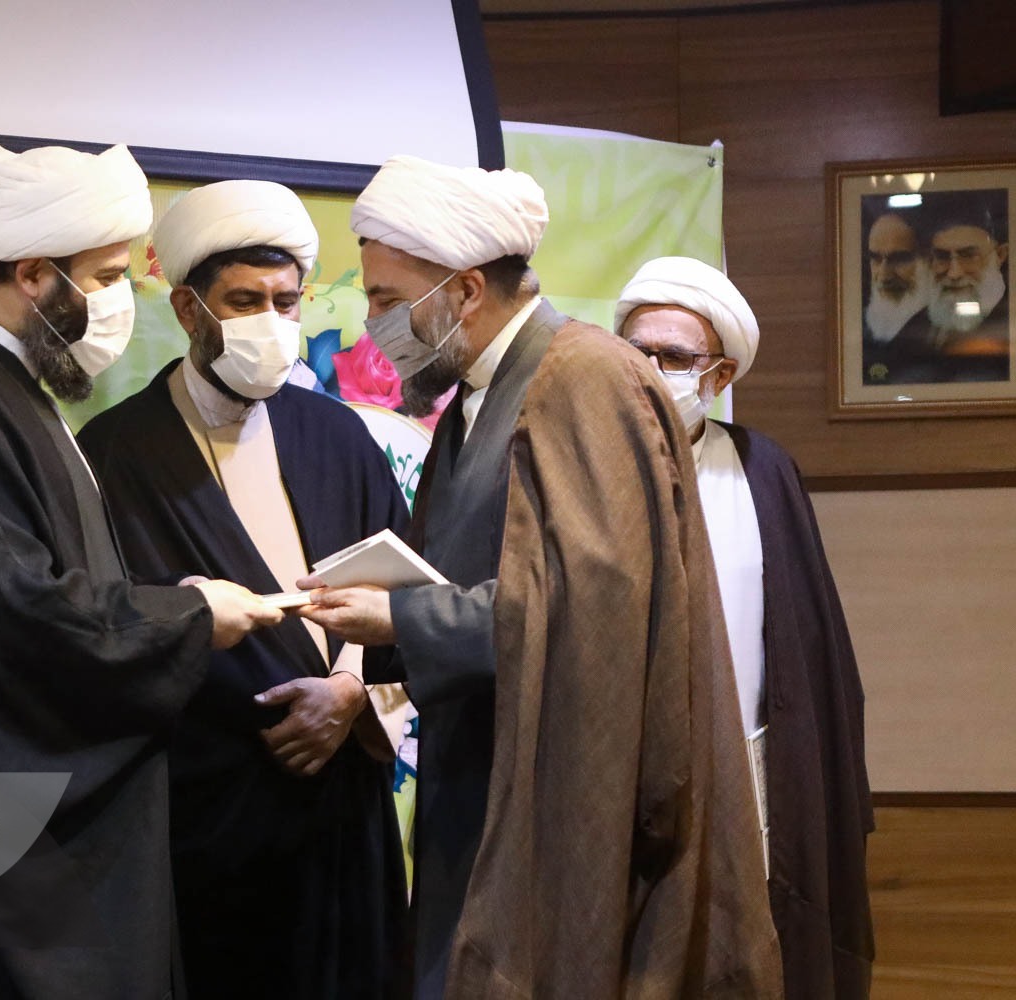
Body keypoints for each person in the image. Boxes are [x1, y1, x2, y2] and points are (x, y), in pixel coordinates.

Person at [297, 154, 782, 998]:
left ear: (464, 291)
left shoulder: (586, 377)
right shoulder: (480, 395)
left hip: (560, 803)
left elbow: (596, 614)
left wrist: (401, 619)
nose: (372, 323)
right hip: (481, 783)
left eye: (385, 298)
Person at [0, 143, 282, 1000]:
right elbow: (14, 622)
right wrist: (193, 619)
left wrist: (177, 605)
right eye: (108, 276)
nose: (121, 300)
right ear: (35, 274)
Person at [77, 179, 409, 1000]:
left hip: (342, 821)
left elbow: (407, 602)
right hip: (203, 828)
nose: (271, 322)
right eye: (245, 301)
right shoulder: (115, 453)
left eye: (285, 303)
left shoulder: (339, 435)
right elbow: (97, 637)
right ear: (188, 310)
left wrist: (351, 696)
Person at [616, 256, 875, 999]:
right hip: (622, 772)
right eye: (634, 354)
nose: (649, 373)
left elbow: (811, 645)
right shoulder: (583, 461)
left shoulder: (762, 469)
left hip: (749, 766)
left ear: (720, 375)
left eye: (673, 358)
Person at [924, 193, 1010, 380]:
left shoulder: (1014, 322)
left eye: (969, 256)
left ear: (1000, 255)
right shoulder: (918, 326)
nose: (954, 273)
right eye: (942, 257)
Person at [862, 210, 936, 383]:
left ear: (928, 259)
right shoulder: (858, 326)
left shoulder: (946, 331)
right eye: (876, 259)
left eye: (899, 259)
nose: (884, 276)